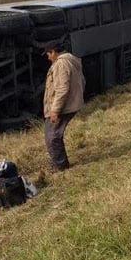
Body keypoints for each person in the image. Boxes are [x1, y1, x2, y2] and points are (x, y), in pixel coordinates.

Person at [42, 41, 85, 171]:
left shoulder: (60, 64)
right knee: (54, 135)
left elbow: (61, 89)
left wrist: (55, 110)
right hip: (71, 103)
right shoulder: (72, 59)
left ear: (54, 52)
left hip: (64, 106)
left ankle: (60, 166)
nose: (48, 58)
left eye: (48, 54)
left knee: (52, 136)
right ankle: (60, 163)